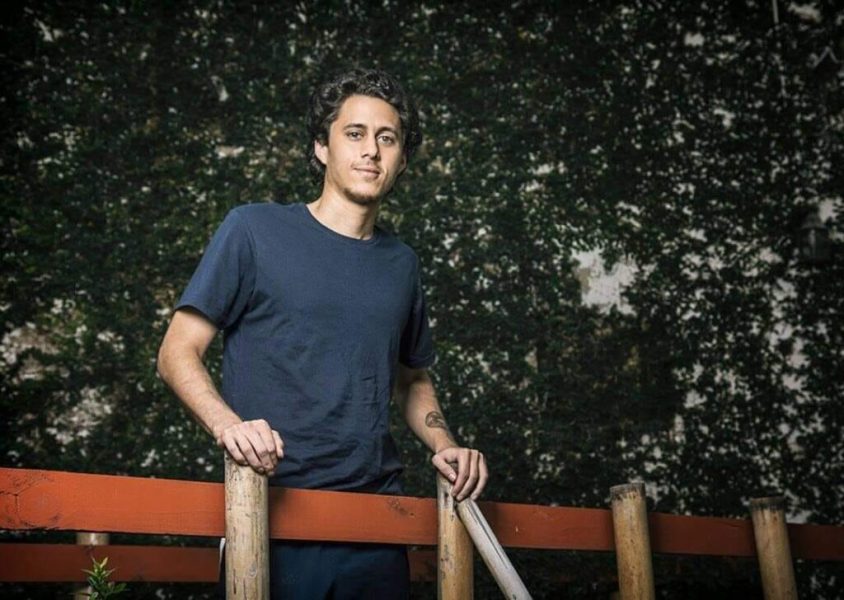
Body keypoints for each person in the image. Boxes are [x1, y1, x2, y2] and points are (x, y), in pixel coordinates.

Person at [157, 67, 488, 599]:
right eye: (354, 133)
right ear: (321, 146)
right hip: (270, 508)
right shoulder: (252, 230)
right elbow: (177, 351)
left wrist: (444, 442)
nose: (371, 151)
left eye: (388, 138)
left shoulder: (401, 263)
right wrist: (229, 427)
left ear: (402, 159)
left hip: (376, 520)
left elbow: (410, 377)